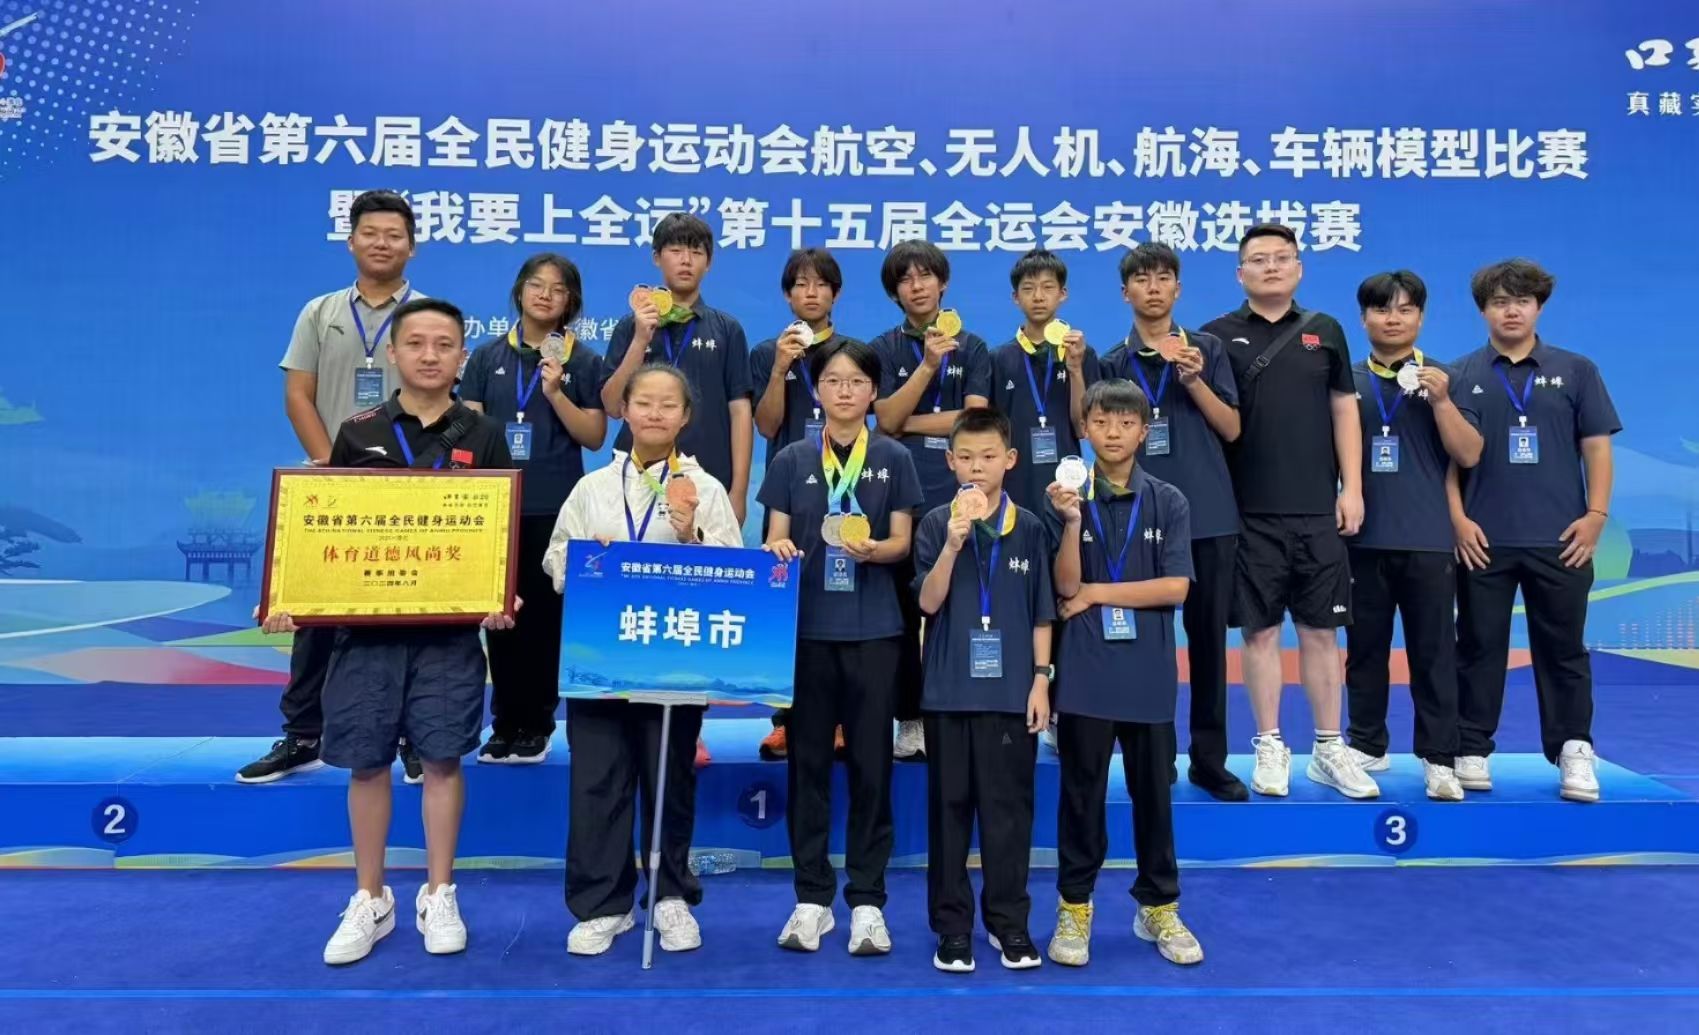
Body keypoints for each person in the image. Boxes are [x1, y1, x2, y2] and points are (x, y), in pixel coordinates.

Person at [261, 298, 518, 966]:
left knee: (442, 758)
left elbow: (499, 530)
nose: (430, 355)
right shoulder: (358, 432)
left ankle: (439, 891)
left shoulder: (483, 433)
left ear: (462, 356)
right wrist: (294, 597)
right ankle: (370, 896)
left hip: (448, 634)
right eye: (417, 343)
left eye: (444, 344)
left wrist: (500, 591)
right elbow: (329, 531)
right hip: (367, 634)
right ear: (395, 354)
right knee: (367, 760)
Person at [542, 364, 743, 956]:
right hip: (601, 657)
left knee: (669, 776)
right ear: (625, 411)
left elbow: (734, 568)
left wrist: (693, 537)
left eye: (668, 405)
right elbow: (555, 558)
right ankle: (602, 904)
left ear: (686, 417)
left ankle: (670, 895)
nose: (655, 413)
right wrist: (588, 560)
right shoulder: (593, 488)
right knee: (597, 781)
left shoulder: (705, 490)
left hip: (674, 660)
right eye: (644, 403)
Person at [243, 189, 425, 785]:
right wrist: (333, 464)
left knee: (405, 615)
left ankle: (412, 737)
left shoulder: (426, 315)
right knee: (315, 617)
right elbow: (298, 394)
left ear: (412, 246)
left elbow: (438, 397)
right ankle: (303, 735)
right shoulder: (319, 312)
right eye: (370, 232)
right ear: (351, 242)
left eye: (394, 235)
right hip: (328, 486)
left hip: (406, 490)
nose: (382, 243)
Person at [1203, 224, 1378, 800]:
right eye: (1259, 259)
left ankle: (1329, 747)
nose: (1272, 267)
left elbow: (1344, 409)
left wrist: (1352, 488)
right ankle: (1269, 743)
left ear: (1299, 268)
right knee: (1259, 633)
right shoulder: (1215, 337)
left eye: (1282, 258)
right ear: (1240, 274)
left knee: (1321, 632)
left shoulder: (1325, 330)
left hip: (1317, 510)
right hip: (1248, 513)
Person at [762, 340, 923, 956]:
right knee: (806, 766)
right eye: (833, 380)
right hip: (806, 632)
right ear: (818, 390)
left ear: (873, 391)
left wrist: (875, 550)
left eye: (857, 381)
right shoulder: (792, 459)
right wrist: (777, 548)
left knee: (871, 767)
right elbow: (775, 536)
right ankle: (810, 898)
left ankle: (867, 901)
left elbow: (902, 541)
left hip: (876, 630)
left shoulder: (894, 457)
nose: (845, 390)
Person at [1447, 259, 1619, 802]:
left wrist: (1596, 517)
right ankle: (1470, 747)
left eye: (1522, 301)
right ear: (1483, 310)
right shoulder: (1460, 374)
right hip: (1483, 543)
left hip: (1562, 541)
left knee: (1564, 650)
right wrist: (1458, 520)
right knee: (1478, 646)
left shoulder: (1576, 370)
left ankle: (1574, 750)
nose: (1511, 311)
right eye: (1500, 302)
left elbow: (1597, 448)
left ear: (1539, 307)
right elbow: (1448, 461)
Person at [1044, 379, 1202, 968]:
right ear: (1085, 429)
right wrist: (1069, 523)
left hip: (1148, 675)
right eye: (1102, 422)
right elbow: (1065, 586)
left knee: (1153, 796)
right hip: (1085, 673)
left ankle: (1158, 905)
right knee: (1081, 796)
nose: (1113, 433)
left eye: (1126, 423)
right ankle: (1074, 907)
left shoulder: (1168, 500)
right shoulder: (1064, 496)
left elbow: (1176, 587)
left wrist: (1096, 593)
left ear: (1144, 431)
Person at [599, 212, 753, 769]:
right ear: (656, 259)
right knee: (637, 602)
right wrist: (642, 337)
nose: (685, 260)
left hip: (703, 485)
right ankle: (627, 714)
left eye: (695, 251)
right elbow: (611, 404)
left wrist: (738, 489)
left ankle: (691, 725)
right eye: (674, 250)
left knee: (694, 605)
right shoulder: (631, 325)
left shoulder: (726, 328)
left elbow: (740, 410)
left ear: (708, 262)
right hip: (636, 482)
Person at [1102, 243, 1246, 802]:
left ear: (1178, 289)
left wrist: (1194, 381)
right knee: (1147, 645)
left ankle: (1210, 761)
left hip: (1209, 515)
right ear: (1125, 293)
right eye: (1142, 279)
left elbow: (1231, 428)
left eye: (1164, 278)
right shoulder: (1114, 362)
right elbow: (1102, 439)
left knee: (1208, 643)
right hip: (1138, 517)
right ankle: (1154, 757)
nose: (1154, 288)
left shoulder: (1206, 349)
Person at [913, 408, 1053, 973]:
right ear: (950, 462)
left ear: (1010, 460)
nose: (977, 466)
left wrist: (1041, 680)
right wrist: (952, 545)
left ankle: (1008, 923)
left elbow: (1043, 613)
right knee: (948, 814)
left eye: (988, 456)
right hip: (949, 694)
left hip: (1012, 695)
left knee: (1008, 815)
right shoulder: (934, 524)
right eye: (966, 457)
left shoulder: (1032, 527)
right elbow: (928, 603)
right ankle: (952, 929)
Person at [460, 254, 606, 764]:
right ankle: (503, 721)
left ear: (571, 301)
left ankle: (538, 724)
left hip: (557, 508)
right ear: (520, 291)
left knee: (545, 620)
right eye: (536, 285)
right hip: (499, 507)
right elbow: (470, 433)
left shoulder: (583, 361)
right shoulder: (486, 358)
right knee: (501, 619)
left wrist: (555, 392)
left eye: (558, 289)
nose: (545, 295)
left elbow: (594, 435)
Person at [1343, 272, 1483, 801]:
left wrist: (1442, 402)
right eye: (1382, 310)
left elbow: (1469, 454)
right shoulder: (1346, 381)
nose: (1393, 319)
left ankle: (1440, 757)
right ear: (1364, 319)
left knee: (1433, 653)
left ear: (1421, 318)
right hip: (1361, 538)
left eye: (1405, 310)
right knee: (1364, 651)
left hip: (1428, 539)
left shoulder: (1447, 377)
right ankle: (1367, 743)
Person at [871, 240, 992, 761]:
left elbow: (974, 420)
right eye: (905, 278)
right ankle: (911, 719)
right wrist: (926, 367)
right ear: (894, 292)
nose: (917, 285)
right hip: (901, 500)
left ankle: (963, 710)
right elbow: (884, 419)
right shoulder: (882, 348)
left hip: (963, 499)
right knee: (904, 615)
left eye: (926, 275)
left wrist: (908, 422)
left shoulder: (975, 347)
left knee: (964, 610)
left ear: (943, 283)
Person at [751, 248, 862, 761]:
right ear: (787, 295)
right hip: (788, 493)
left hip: (843, 490)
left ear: (836, 293)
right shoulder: (767, 352)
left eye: (821, 284)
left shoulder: (853, 353)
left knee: (837, 605)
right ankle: (784, 722)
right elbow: (766, 425)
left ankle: (838, 721)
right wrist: (780, 370)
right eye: (800, 284)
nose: (810, 292)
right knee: (783, 608)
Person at [988, 248, 1096, 515]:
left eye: (1048, 287)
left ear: (1063, 293)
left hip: (1067, 480)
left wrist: (1075, 369)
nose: (1038, 296)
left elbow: (1082, 428)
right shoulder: (999, 358)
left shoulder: (1082, 353)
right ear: (1015, 297)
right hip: (1014, 479)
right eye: (1028, 288)